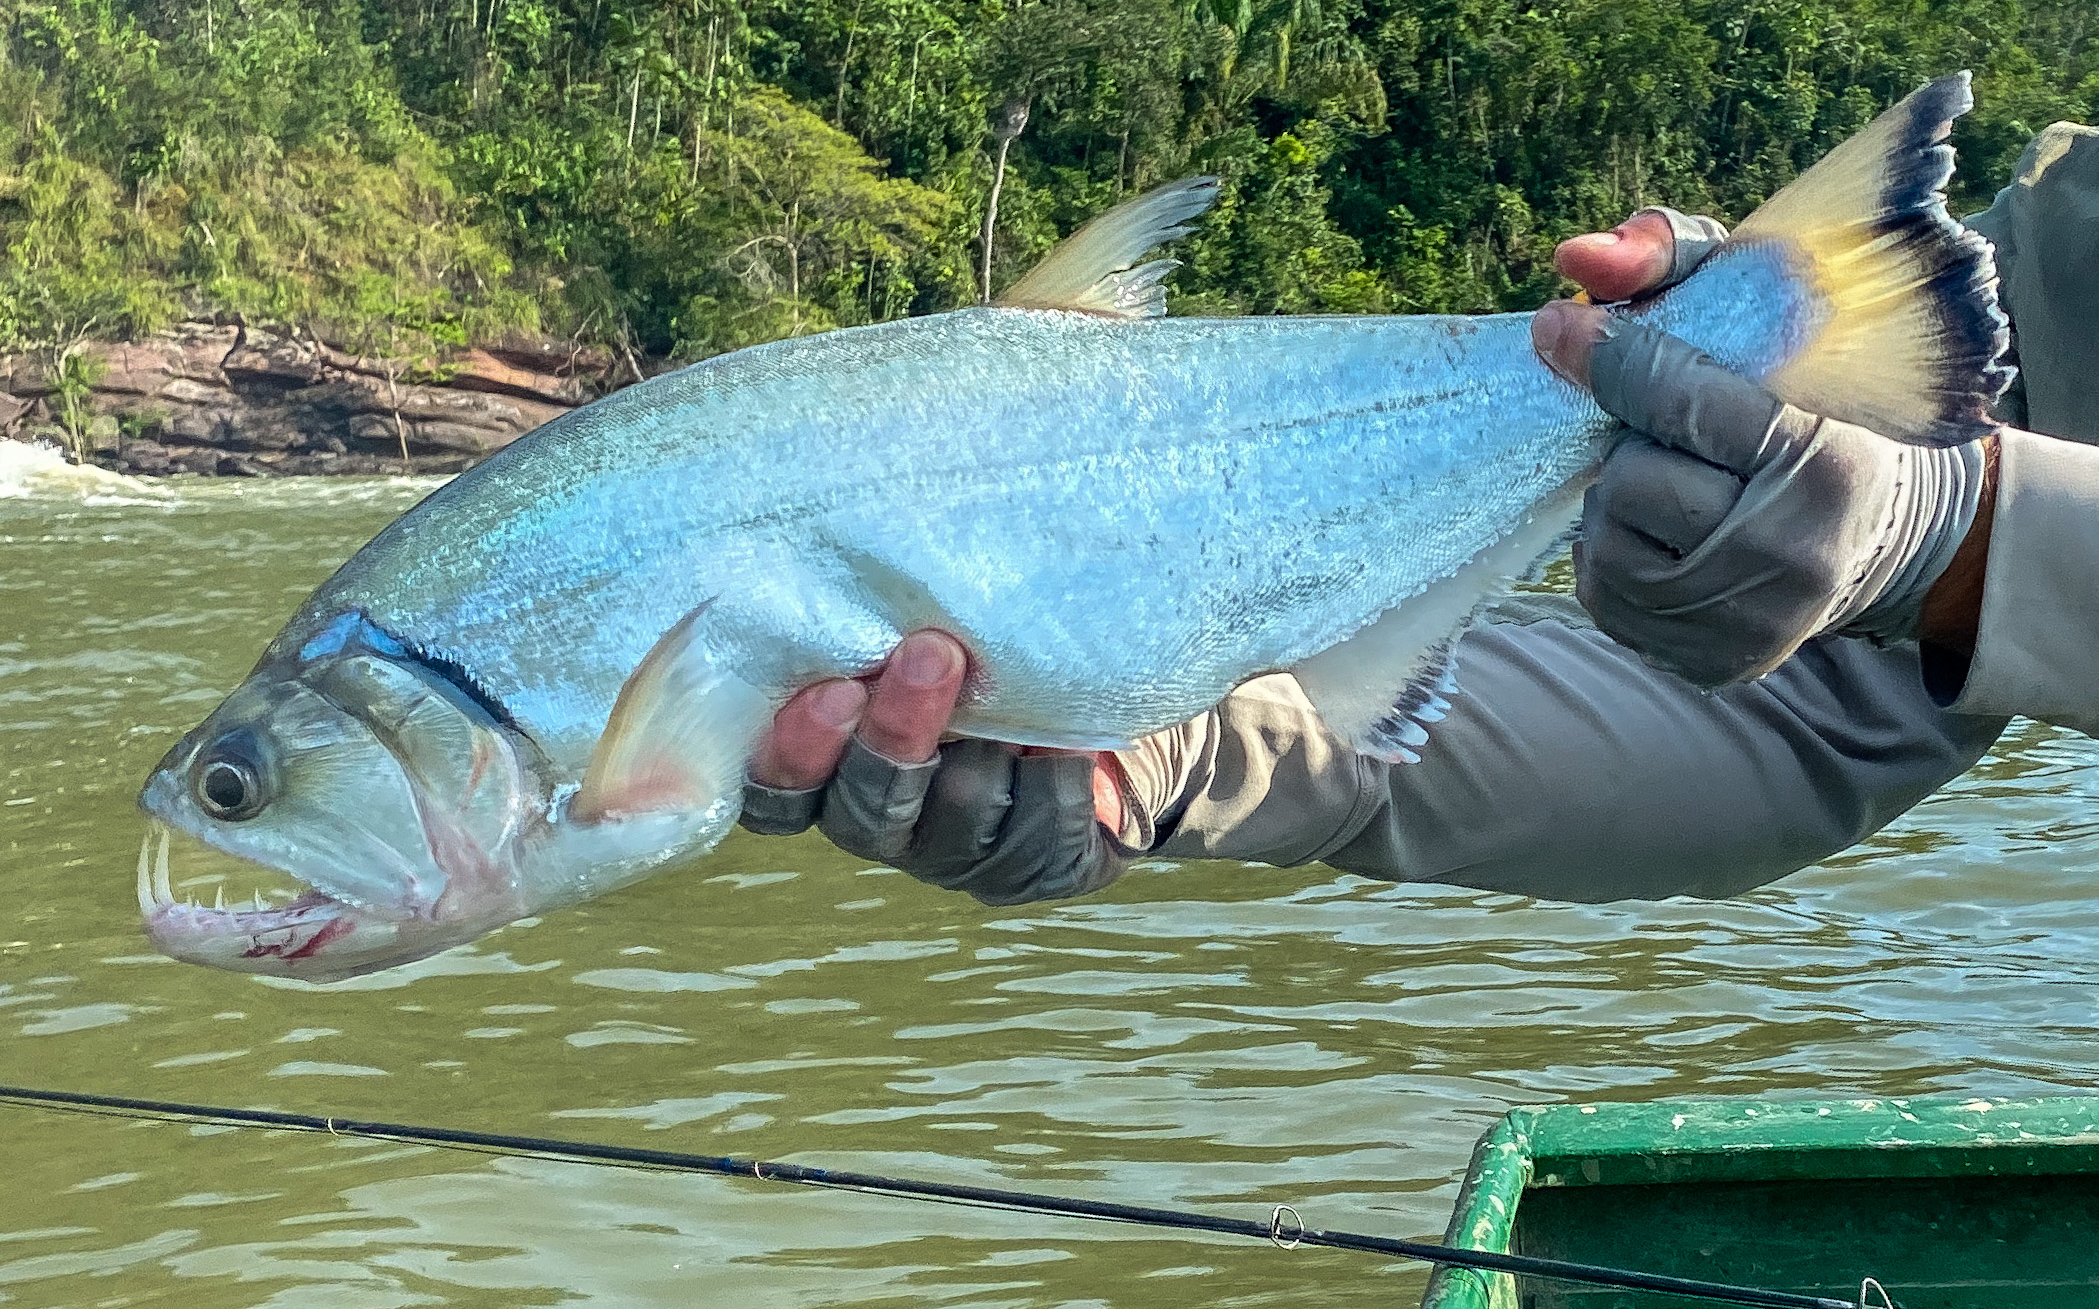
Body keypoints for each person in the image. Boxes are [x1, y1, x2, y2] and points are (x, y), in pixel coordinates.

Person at [738, 121, 2099, 907]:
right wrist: (1190, 742)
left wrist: (1979, 541)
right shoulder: (2066, 248)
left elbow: (1940, 548)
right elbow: (1806, 718)